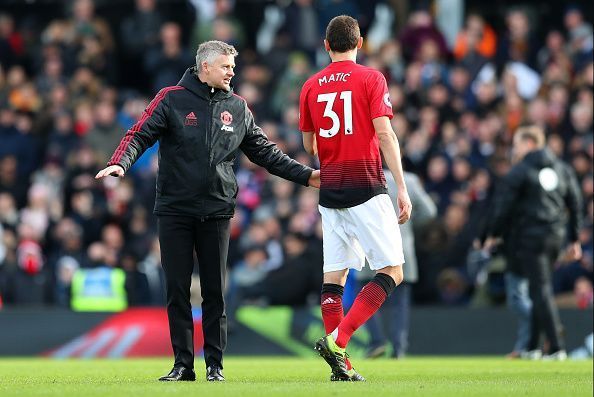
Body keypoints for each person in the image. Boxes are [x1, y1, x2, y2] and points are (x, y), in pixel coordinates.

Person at [96, 40, 320, 382]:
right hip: (174, 210)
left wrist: (306, 176)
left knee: (215, 291)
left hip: (216, 211)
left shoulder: (239, 106)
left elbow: (265, 152)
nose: (233, 71)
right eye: (226, 66)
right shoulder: (170, 99)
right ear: (205, 68)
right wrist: (119, 163)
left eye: (233, 66)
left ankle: (215, 365)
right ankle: (183, 365)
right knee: (177, 290)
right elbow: (139, 135)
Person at [298, 15, 412, 381]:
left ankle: (341, 369)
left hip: (331, 190)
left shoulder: (311, 86)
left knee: (335, 278)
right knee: (392, 270)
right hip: (365, 185)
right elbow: (385, 134)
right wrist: (402, 186)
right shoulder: (371, 79)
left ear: (326, 45)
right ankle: (340, 341)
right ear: (360, 42)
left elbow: (308, 144)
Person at [482, 126, 583, 361]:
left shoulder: (520, 170)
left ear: (529, 144)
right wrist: (574, 238)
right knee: (540, 287)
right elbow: (576, 202)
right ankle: (532, 346)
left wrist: (494, 233)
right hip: (555, 237)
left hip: (530, 238)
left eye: (517, 144)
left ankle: (557, 348)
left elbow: (503, 206)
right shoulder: (562, 168)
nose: (515, 150)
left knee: (540, 289)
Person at [360, 170, 437, 359]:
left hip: (371, 246)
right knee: (399, 302)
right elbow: (430, 211)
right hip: (401, 247)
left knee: (365, 296)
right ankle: (398, 347)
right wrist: (408, 224)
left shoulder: (364, 176)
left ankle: (376, 341)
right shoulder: (409, 180)